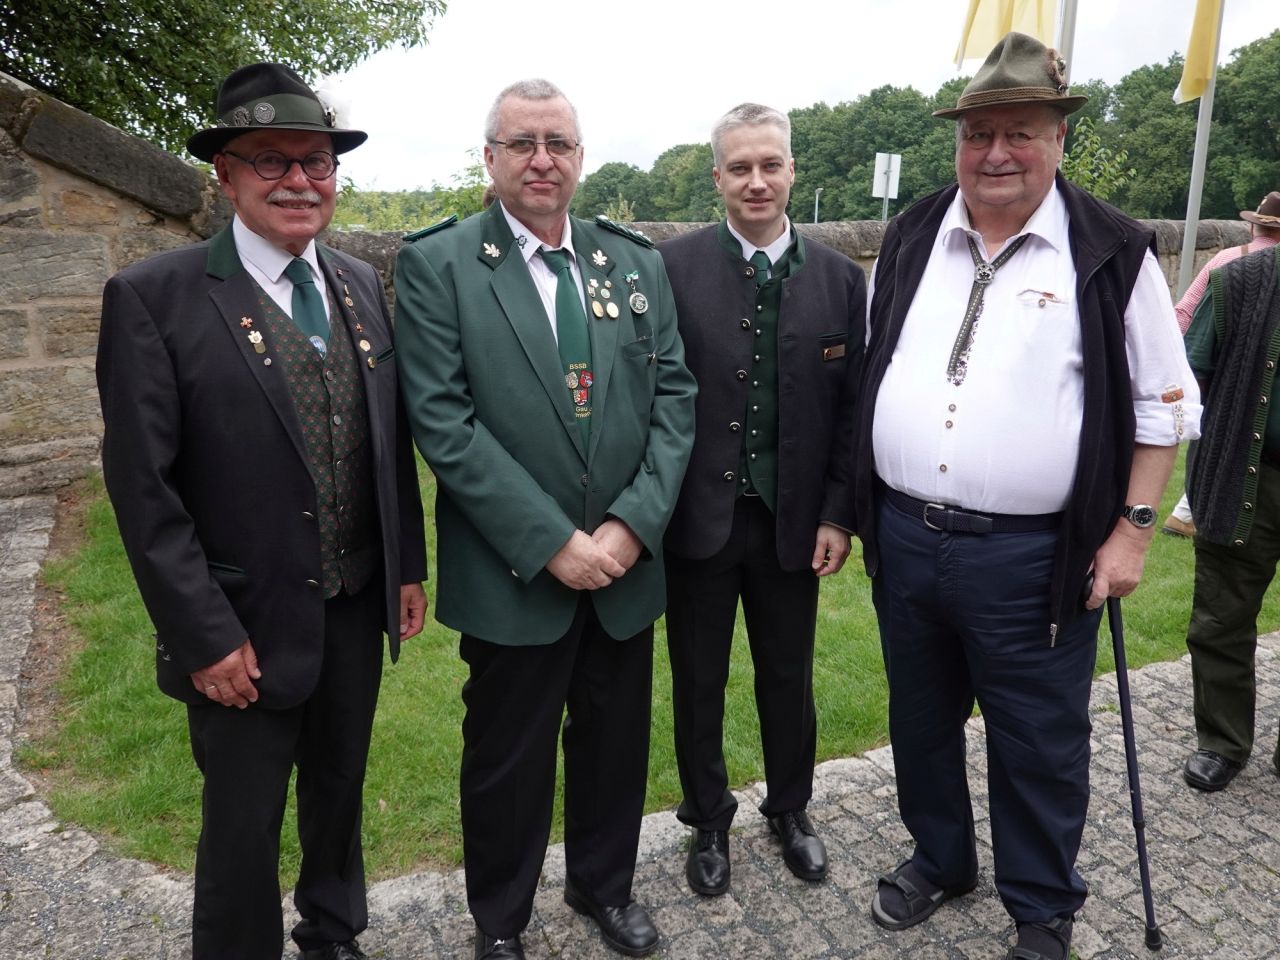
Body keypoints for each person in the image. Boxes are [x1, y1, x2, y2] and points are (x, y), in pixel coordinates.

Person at [852, 33, 1200, 960]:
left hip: (1035, 557)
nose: (996, 153)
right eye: (979, 134)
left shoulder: (1113, 251)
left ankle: (1042, 909)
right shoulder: (914, 231)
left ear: (1058, 139)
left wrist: (1130, 538)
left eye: (1020, 132)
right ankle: (940, 857)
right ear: (956, 142)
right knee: (920, 723)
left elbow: (1165, 412)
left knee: (1036, 742)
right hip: (907, 537)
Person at [96, 63, 428, 960]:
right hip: (239, 625)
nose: (299, 181)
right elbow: (143, 490)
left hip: (355, 606)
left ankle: (333, 932)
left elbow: (384, 440)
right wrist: (202, 634)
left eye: (317, 162)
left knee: (339, 791)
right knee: (242, 828)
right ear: (225, 175)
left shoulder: (359, 283)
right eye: (271, 160)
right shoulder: (153, 298)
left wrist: (406, 567)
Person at [393, 79, 696, 960]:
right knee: (507, 763)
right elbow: (443, 423)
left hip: (624, 567)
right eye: (522, 143)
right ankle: (501, 920)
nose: (542, 159)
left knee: (613, 747)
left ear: (579, 158)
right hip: (515, 574)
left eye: (558, 143)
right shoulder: (441, 264)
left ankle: (605, 888)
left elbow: (674, 397)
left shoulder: (633, 261)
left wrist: (633, 526)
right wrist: (552, 542)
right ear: (489, 158)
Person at [656, 103, 864, 897]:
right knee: (697, 677)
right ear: (718, 177)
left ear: (791, 171)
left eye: (769, 164)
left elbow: (852, 412)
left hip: (795, 524)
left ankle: (791, 807)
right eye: (739, 167)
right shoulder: (670, 270)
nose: (755, 180)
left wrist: (840, 513)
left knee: (789, 673)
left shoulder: (844, 281)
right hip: (697, 524)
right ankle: (707, 818)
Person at [1180, 221, 1280, 793]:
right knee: (1221, 619)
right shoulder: (1240, 280)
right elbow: (1190, 377)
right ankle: (1221, 742)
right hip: (1247, 479)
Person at [1162, 191, 1280, 538]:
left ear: (1252, 225)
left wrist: (1179, 367)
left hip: (1220, 374)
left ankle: (1185, 513)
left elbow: (1184, 310)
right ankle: (1185, 513)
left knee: (1223, 440)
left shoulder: (1226, 259)